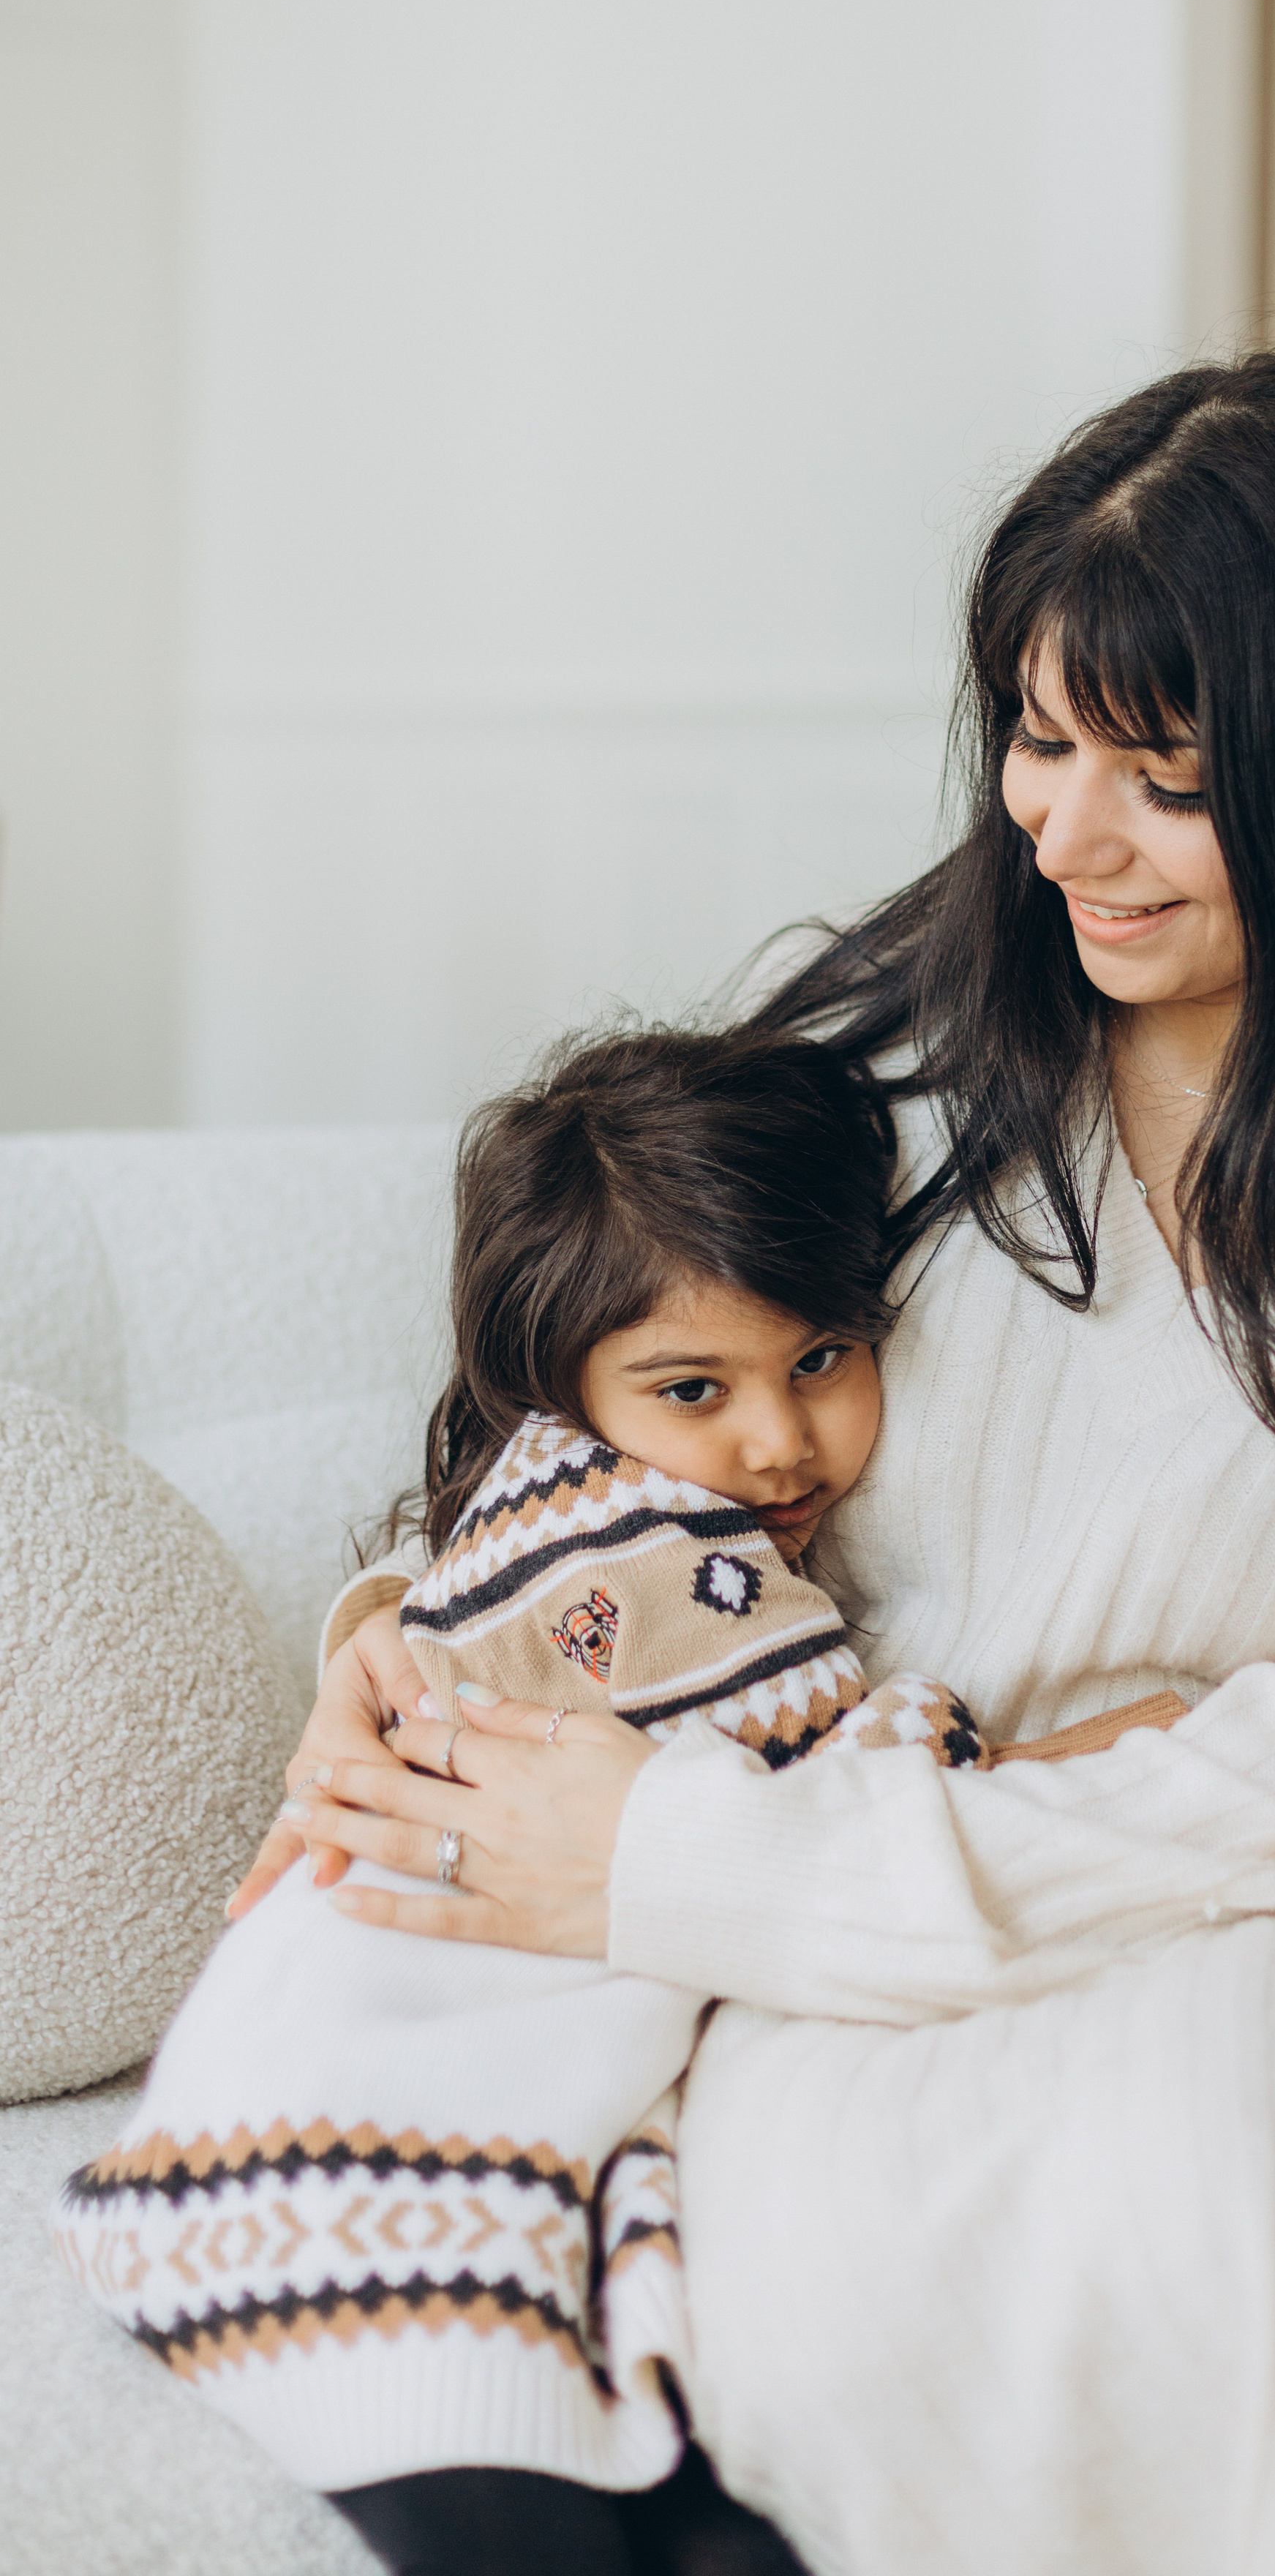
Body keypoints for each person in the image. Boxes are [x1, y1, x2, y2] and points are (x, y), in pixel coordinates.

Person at [228, 353, 1275, 2576]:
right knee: (850, 2273)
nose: (1064, 833)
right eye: (1039, 739)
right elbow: (603, 1389)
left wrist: (714, 1862)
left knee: (1255, 2215)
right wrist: (406, 1649)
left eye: (1164, 774)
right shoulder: (895, 1074)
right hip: (829, 1885)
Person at [58, 1026, 1035, 2560]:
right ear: (557, 1391)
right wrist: (1049, 1750)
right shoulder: (634, 1551)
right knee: (480, 2430)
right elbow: (808, 1766)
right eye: (693, 1385)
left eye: (822, 1359)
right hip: (368, 2047)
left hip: (428, 2048)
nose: (775, 1438)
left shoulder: (603, 1507)